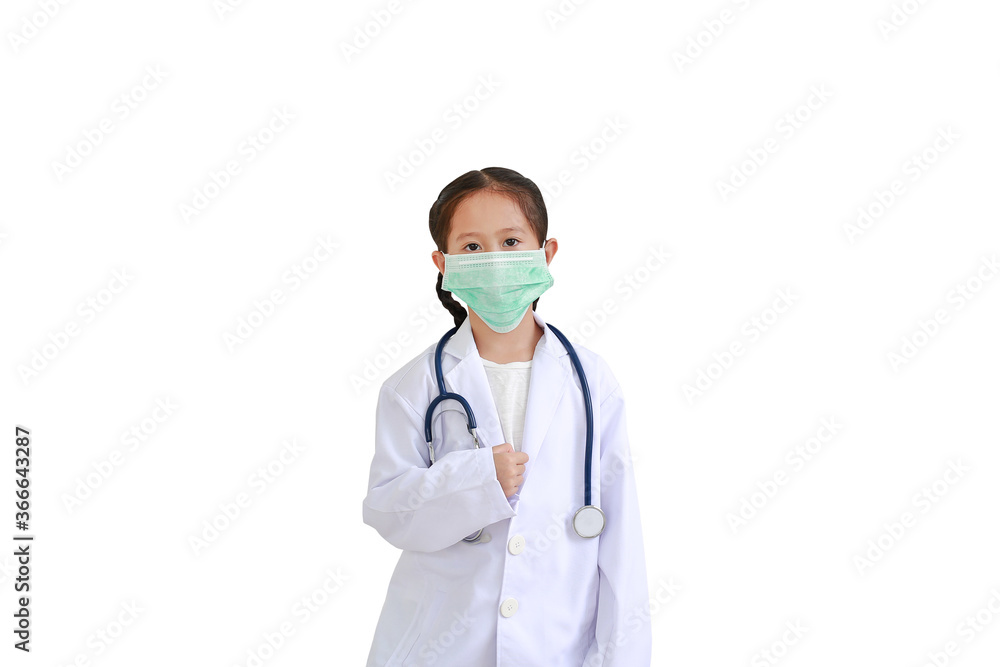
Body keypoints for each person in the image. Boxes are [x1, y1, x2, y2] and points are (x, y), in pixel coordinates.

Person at [362, 167, 651, 666]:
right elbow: (388, 512)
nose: (494, 260)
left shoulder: (590, 381)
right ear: (443, 263)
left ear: (547, 253)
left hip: (557, 648)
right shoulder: (413, 388)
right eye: (472, 248)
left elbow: (621, 541)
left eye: (512, 240)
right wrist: (476, 480)